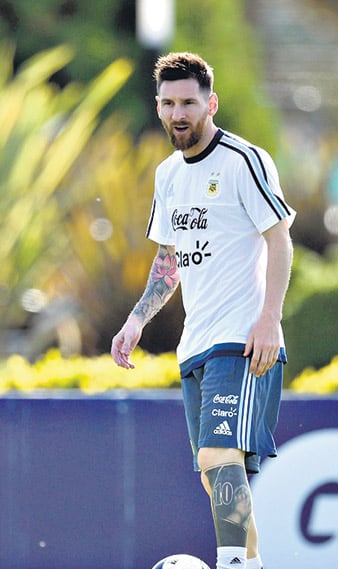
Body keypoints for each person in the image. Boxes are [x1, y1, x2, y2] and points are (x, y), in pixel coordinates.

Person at [111, 52, 295, 569]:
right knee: (215, 473)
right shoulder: (168, 175)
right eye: (169, 103)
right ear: (159, 108)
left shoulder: (245, 160)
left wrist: (269, 319)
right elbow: (168, 259)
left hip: (242, 339)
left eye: (188, 101)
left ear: (210, 103)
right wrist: (136, 319)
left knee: (219, 458)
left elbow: (280, 240)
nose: (178, 113)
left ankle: (233, 565)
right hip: (195, 344)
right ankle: (251, 564)